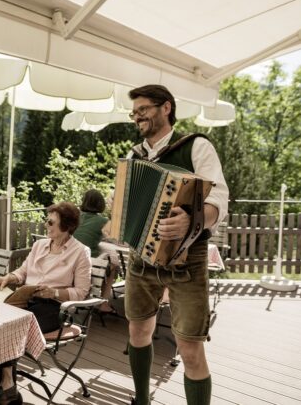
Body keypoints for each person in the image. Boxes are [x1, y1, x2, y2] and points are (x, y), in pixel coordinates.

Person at [124, 84, 229, 405]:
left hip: (187, 260)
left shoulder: (196, 147)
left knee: (190, 349)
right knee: (137, 334)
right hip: (141, 257)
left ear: (165, 108)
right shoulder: (133, 155)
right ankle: (141, 400)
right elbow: (130, 204)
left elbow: (220, 199)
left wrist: (192, 219)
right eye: (134, 112)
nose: (137, 116)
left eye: (142, 109)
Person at [0, 202, 92, 404]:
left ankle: (6, 387)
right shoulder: (39, 245)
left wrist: (54, 292)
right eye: (47, 220)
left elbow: (80, 293)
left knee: (11, 327)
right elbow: (23, 272)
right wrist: (9, 278)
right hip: (26, 300)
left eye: (51, 222)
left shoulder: (80, 252)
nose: (46, 225)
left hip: (54, 308)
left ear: (67, 226)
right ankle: (7, 387)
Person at [73, 189, 119, 313]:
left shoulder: (75, 216)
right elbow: (116, 240)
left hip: (70, 259)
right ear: (101, 204)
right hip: (88, 262)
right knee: (113, 266)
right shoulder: (103, 221)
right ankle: (104, 303)